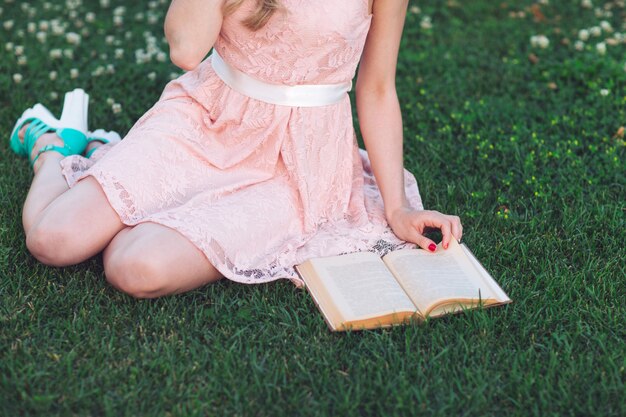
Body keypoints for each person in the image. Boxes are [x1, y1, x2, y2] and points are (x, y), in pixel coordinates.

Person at [10, 0, 462, 298]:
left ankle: (107, 162)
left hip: (297, 161)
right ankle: (53, 146)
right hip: (206, 119)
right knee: (53, 240)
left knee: (136, 267)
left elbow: (378, 87)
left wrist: (397, 208)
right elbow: (186, 48)